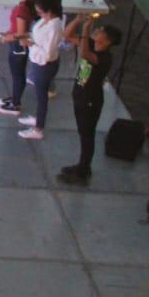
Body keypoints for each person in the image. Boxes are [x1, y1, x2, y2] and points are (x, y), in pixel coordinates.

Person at [58, 17, 120, 184]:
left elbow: (85, 54)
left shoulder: (105, 57)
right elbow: (66, 35)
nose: (96, 31)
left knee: (87, 135)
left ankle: (83, 171)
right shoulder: (90, 44)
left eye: (100, 32)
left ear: (107, 41)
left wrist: (85, 30)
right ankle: (82, 165)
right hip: (80, 96)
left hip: (90, 100)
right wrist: (78, 20)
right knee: (82, 133)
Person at [16, 0, 64, 140]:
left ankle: (38, 129)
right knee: (39, 95)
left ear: (49, 12)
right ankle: (38, 118)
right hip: (39, 62)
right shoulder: (46, 21)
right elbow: (37, 35)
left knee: (42, 97)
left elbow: (48, 54)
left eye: (40, 12)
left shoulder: (54, 27)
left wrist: (31, 45)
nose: (38, 14)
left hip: (45, 65)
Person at [0, 0, 36, 116]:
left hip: (17, 46)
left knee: (18, 75)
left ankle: (15, 104)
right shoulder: (23, 7)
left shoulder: (21, 9)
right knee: (17, 74)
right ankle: (15, 98)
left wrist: (6, 38)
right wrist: (8, 33)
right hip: (16, 45)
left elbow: (20, 33)